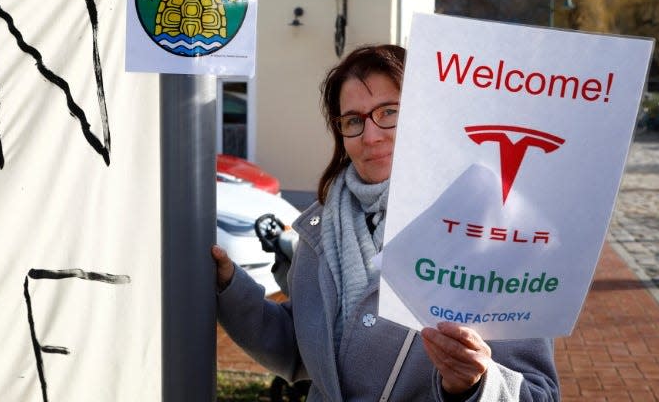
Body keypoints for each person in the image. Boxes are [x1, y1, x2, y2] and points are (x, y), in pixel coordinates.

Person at [212, 44, 560, 401]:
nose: (370, 136)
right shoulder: (322, 229)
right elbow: (303, 350)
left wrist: (476, 385)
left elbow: (540, 393)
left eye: (389, 112)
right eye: (353, 120)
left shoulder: (492, 234)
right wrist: (229, 287)